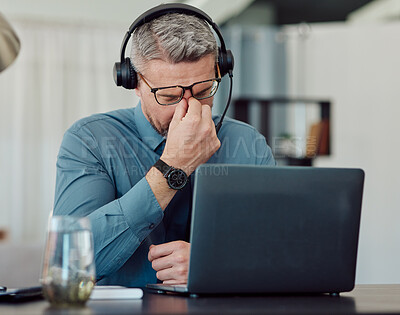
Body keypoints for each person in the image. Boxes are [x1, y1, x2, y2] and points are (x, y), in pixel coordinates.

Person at [54, 6, 275, 288]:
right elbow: (69, 264)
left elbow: (281, 249)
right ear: (132, 82)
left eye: (204, 91)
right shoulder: (89, 140)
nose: (189, 108)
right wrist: (174, 166)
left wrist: (216, 264)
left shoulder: (248, 144)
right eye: (169, 96)